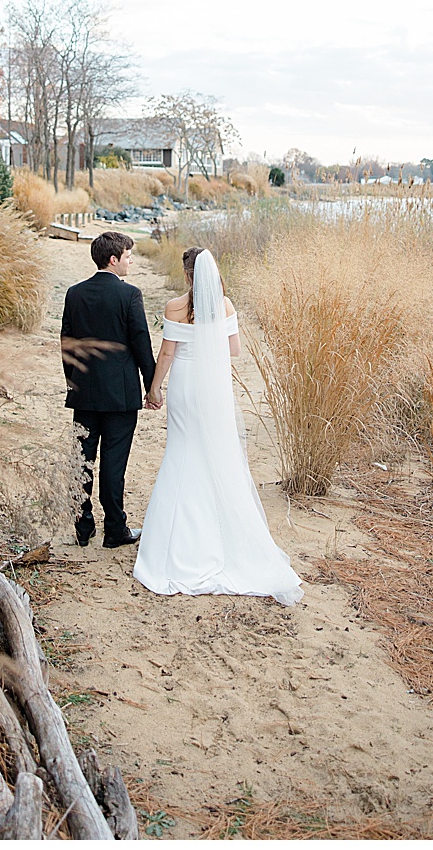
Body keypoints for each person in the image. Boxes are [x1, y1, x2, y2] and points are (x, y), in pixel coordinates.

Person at [132, 247, 303, 605]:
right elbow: (234, 349)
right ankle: (221, 534)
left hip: (184, 385)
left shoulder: (174, 307)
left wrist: (154, 388)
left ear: (187, 275)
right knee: (215, 452)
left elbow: (167, 353)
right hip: (214, 387)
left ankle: (179, 538)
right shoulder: (225, 306)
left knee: (181, 450)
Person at [60, 230, 157, 548]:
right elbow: (141, 341)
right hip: (120, 395)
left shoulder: (75, 293)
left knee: (83, 460)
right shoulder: (129, 295)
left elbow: (67, 343)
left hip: (84, 392)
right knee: (113, 464)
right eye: (128, 256)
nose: (131, 261)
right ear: (113, 259)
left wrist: (72, 380)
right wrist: (151, 384)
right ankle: (115, 529)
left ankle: (83, 525)